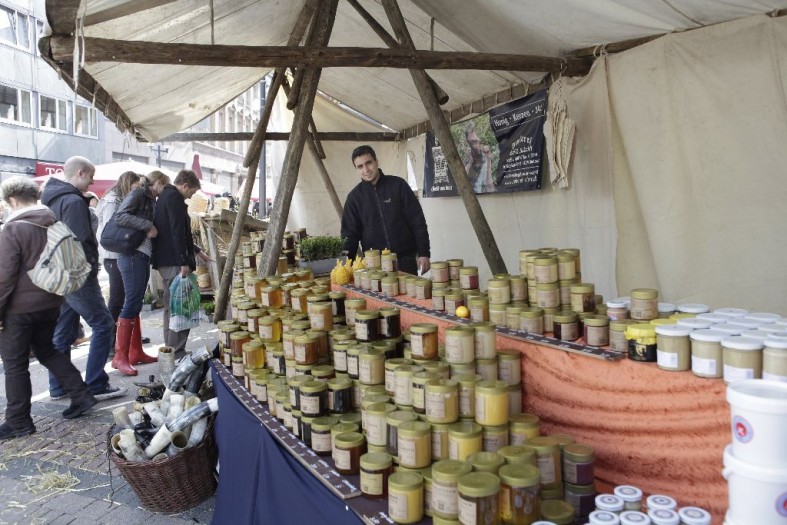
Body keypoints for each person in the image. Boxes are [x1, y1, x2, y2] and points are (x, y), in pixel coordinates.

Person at [0, 177, 97, 441]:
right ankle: (81, 395)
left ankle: (18, 421)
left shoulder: (13, 229)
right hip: (52, 300)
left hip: (20, 308)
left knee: (15, 364)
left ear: (12, 200)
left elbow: (4, 277)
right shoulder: (52, 222)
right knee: (47, 350)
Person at [41, 156, 126, 402]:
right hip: (76, 275)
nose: (92, 182)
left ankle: (58, 386)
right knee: (103, 324)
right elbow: (78, 242)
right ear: (80, 173)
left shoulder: (53, 199)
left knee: (63, 330)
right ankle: (96, 383)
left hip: (59, 274)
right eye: (90, 176)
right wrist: (88, 268)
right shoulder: (73, 201)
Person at [341, 145, 431, 275]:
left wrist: (424, 253)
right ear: (356, 170)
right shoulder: (354, 198)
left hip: (405, 260)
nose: (366, 169)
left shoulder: (398, 186)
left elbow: (417, 221)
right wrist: (345, 266)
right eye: (360, 166)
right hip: (375, 265)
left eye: (368, 163)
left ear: (376, 162)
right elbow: (349, 236)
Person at [111, 173, 168, 375]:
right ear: (158, 183)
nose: (165, 191)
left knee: (135, 303)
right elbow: (120, 216)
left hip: (140, 255)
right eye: (165, 186)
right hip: (132, 255)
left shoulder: (148, 197)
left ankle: (135, 352)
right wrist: (147, 225)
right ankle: (120, 357)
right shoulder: (139, 193)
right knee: (131, 303)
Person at [152, 170, 210, 353]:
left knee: (171, 306)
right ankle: (176, 350)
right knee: (180, 305)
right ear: (185, 186)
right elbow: (177, 232)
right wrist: (183, 262)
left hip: (166, 260)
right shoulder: (174, 198)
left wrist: (197, 251)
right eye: (191, 192)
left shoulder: (165, 196)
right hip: (174, 261)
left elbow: (178, 233)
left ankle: (170, 349)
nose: (191, 196)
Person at [97, 171, 142, 357]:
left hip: (119, 254)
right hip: (113, 255)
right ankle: (109, 342)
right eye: (136, 187)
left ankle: (128, 339)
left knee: (125, 298)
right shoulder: (112, 201)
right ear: (127, 184)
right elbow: (111, 231)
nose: (138, 190)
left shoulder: (120, 199)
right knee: (116, 299)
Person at [464, 121, 495, 193]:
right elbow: (461, 181)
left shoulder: (485, 159)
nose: (475, 146)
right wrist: (469, 163)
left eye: (476, 141)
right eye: (471, 142)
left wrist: (489, 162)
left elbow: (490, 189)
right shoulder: (468, 157)